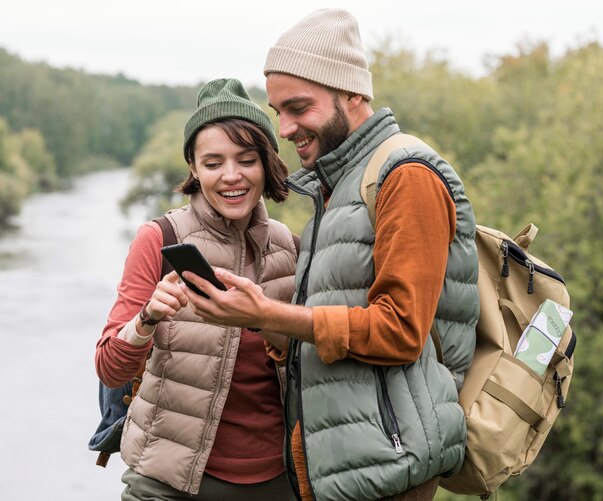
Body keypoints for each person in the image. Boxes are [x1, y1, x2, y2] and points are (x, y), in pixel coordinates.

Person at [180, 9, 480, 501]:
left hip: (391, 468)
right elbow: (325, 327)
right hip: (345, 468)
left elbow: (401, 331)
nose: (286, 127)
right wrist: (252, 315)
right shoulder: (336, 185)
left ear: (353, 93)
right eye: (278, 111)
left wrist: (271, 312)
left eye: (298, 107)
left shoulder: (406, 176)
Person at [94, 78, 298, 500]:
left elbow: (312, 367)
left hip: (275, 482)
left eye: (246, 160)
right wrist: (147, 319)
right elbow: (110, 368)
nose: (231, 176)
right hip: (166, 484)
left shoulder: (291, 249)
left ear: (266, 163)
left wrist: (264, 320)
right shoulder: (160, 239)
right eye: (213, 162)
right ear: (193, 168)